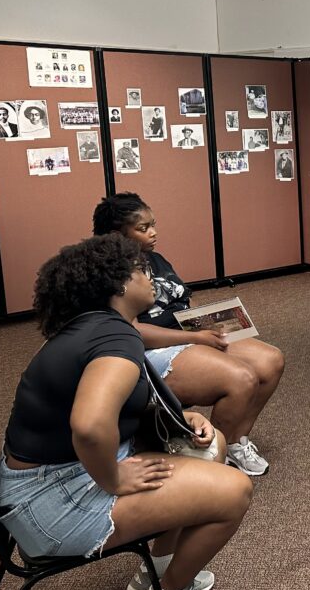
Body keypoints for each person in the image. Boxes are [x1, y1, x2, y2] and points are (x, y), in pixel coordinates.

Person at [0, 234, 251, 590]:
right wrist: (114, 480)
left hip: (48, 480)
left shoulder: (95, 328)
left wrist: (180, 415)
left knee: (210, 449)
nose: (150, 277)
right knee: (235, 491)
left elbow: (107, 407)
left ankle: (156, 574)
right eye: (141, 269)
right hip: (51, 502)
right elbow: (89, 425)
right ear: (117, 283)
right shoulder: (114, 335)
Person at [93, 193, 285, 476]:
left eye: (153, 224)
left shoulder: (155, 259)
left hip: (187, 333)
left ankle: (232, 442)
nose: (154, 232)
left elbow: (182, 300)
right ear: (116, 234)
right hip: (152, 349)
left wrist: (207, 322)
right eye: (143, 228)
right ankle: (210, 450)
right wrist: (195, 338)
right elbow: (130, 331)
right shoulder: (112, 271)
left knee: (271, 361)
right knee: (241, 378)